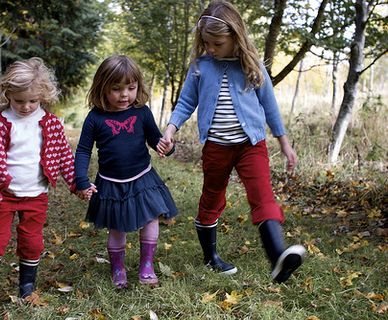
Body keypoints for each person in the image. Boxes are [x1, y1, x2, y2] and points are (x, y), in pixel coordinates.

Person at [161, 1, 305, 283]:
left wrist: (284, 143)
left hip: (251, 145)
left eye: (217, 43)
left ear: (235, 36)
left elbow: (270, 107)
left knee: (262, 194)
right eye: (206, 43)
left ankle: (278, 257)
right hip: (216, 147)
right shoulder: (201, 66)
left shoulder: (252, 65)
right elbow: (186, 102)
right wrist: (170, 129)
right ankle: (210, 257)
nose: (211, 48)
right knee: (212, 199)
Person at [0, 57, 95, 306]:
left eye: (33, 101)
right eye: (19, 101)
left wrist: (78, 185)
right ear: (7, 95)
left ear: (43, 97)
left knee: (31, 240)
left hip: (36, 195)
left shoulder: (51, 124)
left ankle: (26, 285)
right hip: (4, 195)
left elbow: (64, 159)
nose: (26, 107)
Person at [73, 55, 178, 288]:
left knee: (152, 218)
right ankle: (118, 269)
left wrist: (166, 146)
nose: (124, 95)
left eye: (131, 88)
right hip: (111, 181)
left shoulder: (142, 112)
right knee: (117, 225)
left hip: (142, 177)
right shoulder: (95, 118)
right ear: (103, 87)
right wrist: (81, 180)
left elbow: (155, 139)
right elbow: (82, 150)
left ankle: (146, 266)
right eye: (116, 89)